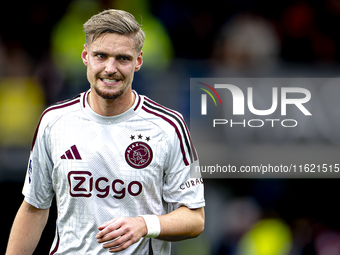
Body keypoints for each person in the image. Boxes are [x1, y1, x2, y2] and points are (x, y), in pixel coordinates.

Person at [5, 9, 205, 255]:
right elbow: (34, 208)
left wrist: (145, 225)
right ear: (85, 57)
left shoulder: (169, 126)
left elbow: (195, 218)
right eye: (101, 56)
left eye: (122, 58)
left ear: (138, 61)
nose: (110, 68)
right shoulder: (54, 121)